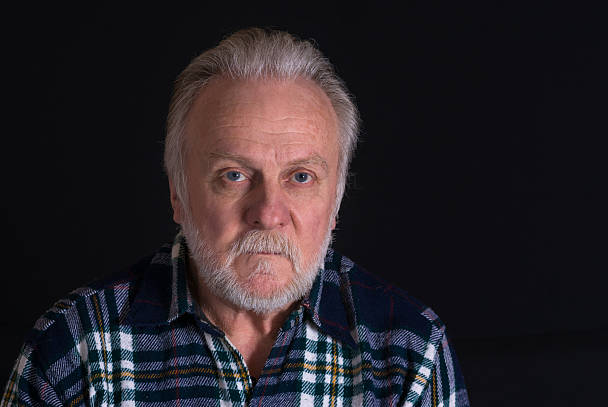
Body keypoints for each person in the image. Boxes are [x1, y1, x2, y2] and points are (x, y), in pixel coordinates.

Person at [2, 28, 469, 406]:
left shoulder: (410, 352)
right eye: (234, 175)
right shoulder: (73, 348)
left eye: (301, 177)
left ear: (337, 203)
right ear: (178, 194)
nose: (268, 214)